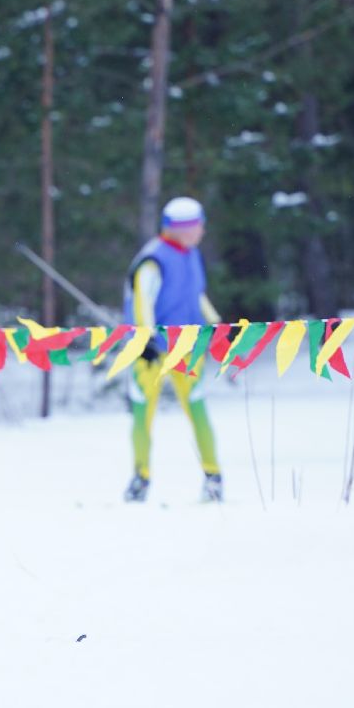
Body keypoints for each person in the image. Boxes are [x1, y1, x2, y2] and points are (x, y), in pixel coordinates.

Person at [121, 195, 224, 504]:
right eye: (198, 226)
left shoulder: (191, 254)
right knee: (143, 413)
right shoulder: (153, 259)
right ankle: (140, 478)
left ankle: (213, 477)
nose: (202, 231)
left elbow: (196, 295)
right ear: (181, 228)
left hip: (187, 347)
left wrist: (216, 323)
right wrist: (146, 339)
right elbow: (143, 300)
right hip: (151, 351)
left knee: (197, 408)